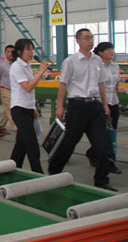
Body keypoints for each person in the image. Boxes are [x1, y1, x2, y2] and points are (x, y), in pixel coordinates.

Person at [48, 28, 115, 191]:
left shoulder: (97, 61)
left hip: (95, 107)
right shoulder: (70, 61)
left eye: (91, 38)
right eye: (87, 38)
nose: (90, 41)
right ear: (78, 41)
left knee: (102, 146)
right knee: (69, 143)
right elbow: (63, 84)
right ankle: (53, 171)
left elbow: (101, 83)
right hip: (77, 107)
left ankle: (101, 180)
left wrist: (105, 105)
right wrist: (60, 107)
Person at [9, 39, 49, 173]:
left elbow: (30, 91)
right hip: (19, 109)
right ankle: (38, 173)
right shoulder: (17, 67)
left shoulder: (26, 66)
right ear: (19, 52)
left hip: (28, 108)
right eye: (28, 49)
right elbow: (27, 87)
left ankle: (13, 168)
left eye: (32, 49)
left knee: (20, 145)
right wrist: (41, 72)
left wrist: (33, 108)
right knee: (31, 143)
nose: (31, 52)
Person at [86, 42, 125, 175]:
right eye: (108, 50)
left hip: (114, 103)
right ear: (101, 53)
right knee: (102, 134)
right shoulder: (96, 67)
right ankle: (108, 162)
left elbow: (115, 84)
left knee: (111, 134)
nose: (111, 52)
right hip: (101, 104)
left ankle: (92, 153)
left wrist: (120, 88)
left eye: (112, 49)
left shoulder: (115, 66)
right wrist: (104, 105)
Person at [0, 45, 16, 133]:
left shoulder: (17, 64)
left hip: (15, 90)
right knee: (10, 110)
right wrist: (1, 84)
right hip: (5, 89)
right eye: (8, 51)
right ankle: (16, 128)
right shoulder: (1, 65)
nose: (10, 53)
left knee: (7, 109)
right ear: (5, 53)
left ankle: (0, 126)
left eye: (12, 52)